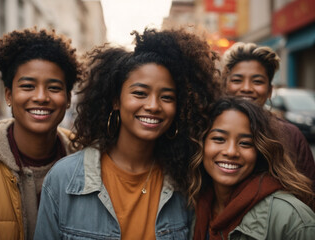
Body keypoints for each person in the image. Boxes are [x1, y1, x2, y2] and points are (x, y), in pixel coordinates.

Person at [34, 28, 220, 239]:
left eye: (167, 97)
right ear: (116, 100)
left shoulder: (188, 183)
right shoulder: (63, 179)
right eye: (140, 93)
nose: (153, 106)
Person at [0, 27, 82, 240]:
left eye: (53, 87)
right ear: (8, 95)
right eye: (28, 86)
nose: (41, 97)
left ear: (68, 99)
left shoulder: (91, 164)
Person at [188, 97, 315, 240]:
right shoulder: (194, 206)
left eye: (245, 143)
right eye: (219, 139)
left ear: (260, 151)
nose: (231, 151)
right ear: (201, 144)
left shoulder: (292, 220)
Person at [221, 42, 315, 189]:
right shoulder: (207, 127)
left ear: (270, 90)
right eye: (237, 80)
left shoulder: (291, 136)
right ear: (225, 85)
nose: (246, 88)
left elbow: (309, 193)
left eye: (257, 81)